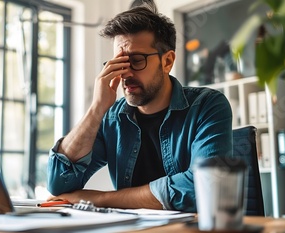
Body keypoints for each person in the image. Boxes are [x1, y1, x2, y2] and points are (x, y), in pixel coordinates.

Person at [47, 2, 232, 212]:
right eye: (118, 63)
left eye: (136, 60)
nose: (125, 74)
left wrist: (103, 198)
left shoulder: (207, 105)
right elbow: (59, 184)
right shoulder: (111, 118)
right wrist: (97, 108)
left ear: (167, 61)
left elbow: (203, 187)